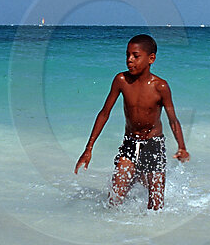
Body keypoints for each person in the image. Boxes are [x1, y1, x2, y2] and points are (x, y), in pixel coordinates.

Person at [75, 34, 189, 210]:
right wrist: (88, 148)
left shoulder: (160, 86)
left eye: (136, 56)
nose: (130, 60)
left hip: (154, 145)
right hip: (130, 143)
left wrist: (181, 146)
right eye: (127, 55)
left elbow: (173, 120)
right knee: (114, 200)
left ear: (151, 58)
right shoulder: (121, 80)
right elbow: (104, 113)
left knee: (156, 206)